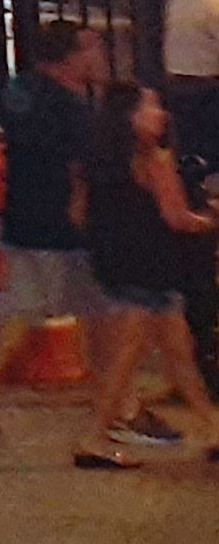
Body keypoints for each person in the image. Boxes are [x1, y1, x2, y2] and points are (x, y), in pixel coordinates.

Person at [0, 18, 101, 440]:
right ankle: (116, 401)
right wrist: (84, 214)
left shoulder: (20, 91)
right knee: (99, 311)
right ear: (67, 58)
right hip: (58, 220)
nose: (96, 57)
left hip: (22, 213)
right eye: (88, 49)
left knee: (23, 309)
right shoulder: (70, 106)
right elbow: (79, 167)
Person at [72, 80, 216, 470]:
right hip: (153, 265)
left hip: (116, 264)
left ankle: (212, 429)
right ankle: (94, 436)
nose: (161, 115)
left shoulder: (98, 159)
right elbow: (177, 217)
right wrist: (211, 219)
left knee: (176, 351)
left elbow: (78, 214)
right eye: (151, 107)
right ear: (132, 117)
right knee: (133, 355)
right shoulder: (154, 159)